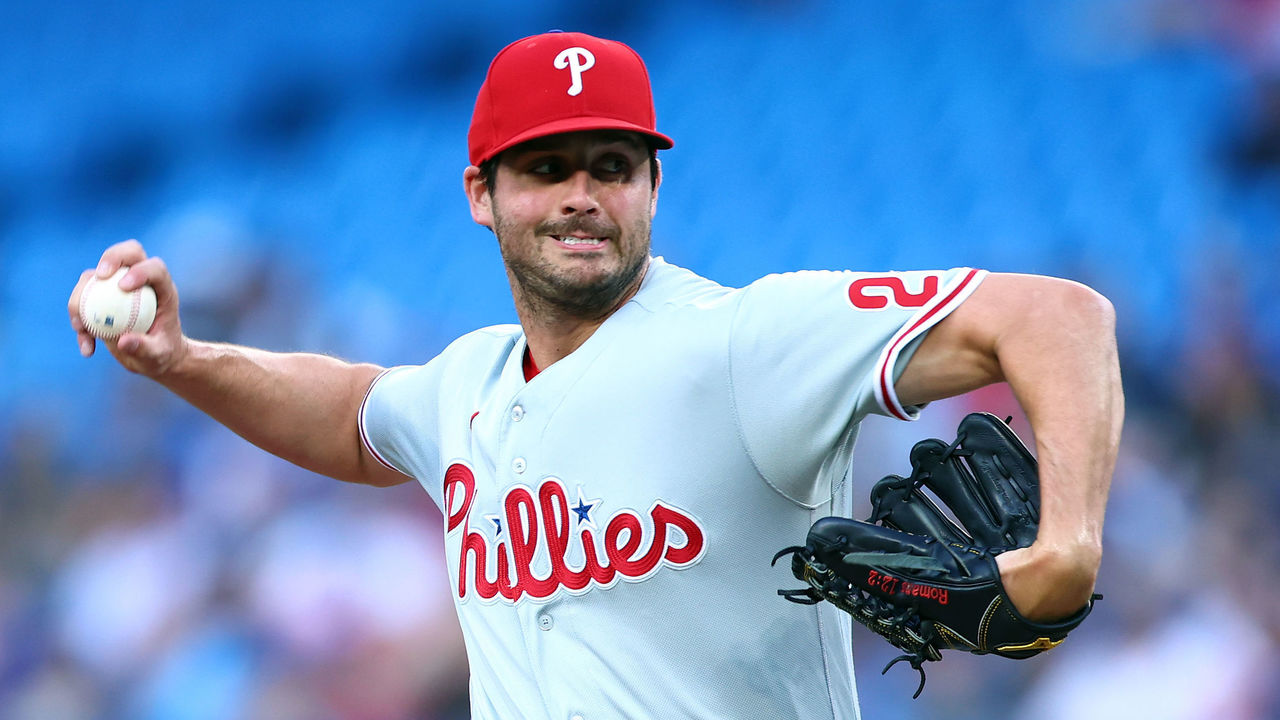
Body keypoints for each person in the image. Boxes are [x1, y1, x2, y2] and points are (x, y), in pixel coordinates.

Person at [68, 30, 1123, 720]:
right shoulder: (465, 384)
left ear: (652, 186)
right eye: (545, 167)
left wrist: (1067, 543)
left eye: (611, 165)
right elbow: (351, 416)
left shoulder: (741, 342)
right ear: (480, 194)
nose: (581, 193)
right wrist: (186, 361)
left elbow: (1056, 317)